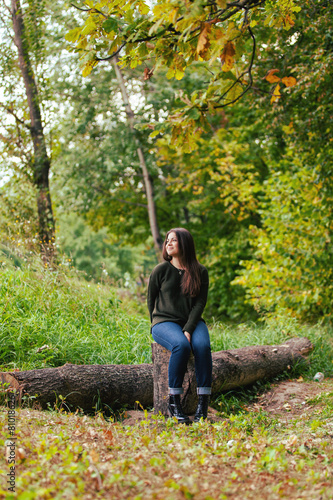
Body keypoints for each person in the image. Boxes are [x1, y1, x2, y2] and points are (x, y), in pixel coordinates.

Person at [147, 227, 212, 423]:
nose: (168, 243)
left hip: (191, 321)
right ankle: (174, 402)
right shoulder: (161, 270)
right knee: (181, 345)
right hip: (163, 322)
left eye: (173, 240)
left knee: (202, 346)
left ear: (184, 243)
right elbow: (151, 300)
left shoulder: (200, 271)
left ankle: (202, 404)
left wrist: (189, 329)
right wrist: (156, 323)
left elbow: (200, 303)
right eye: (167, 240)